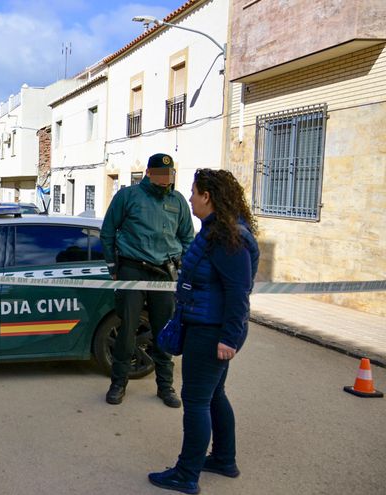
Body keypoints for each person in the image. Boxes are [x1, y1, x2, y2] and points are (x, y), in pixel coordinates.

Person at [148, 169, 260, 494]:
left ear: (207, 196)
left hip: (210, 333)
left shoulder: (227, 238)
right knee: (214, 395)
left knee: (196, 400)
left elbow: (238, 293)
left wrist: (228, 338)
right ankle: (224, 459)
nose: (190, 198)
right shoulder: (216, 231)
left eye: (194, 192)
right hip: (206, 326)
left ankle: (186, 474)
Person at [100, 153, 194, 407]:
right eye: (161, 173)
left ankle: (165, 386)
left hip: (164, 273)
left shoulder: (177, 200)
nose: (166, 178)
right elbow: (108, 232)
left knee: (164, 331)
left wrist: (185, 268)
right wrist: (113, 267)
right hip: (133, 270)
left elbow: (187, 237)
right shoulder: (128, 196)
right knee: (127, 329)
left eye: (170, 174)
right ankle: (118, 384)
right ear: (149, 173)